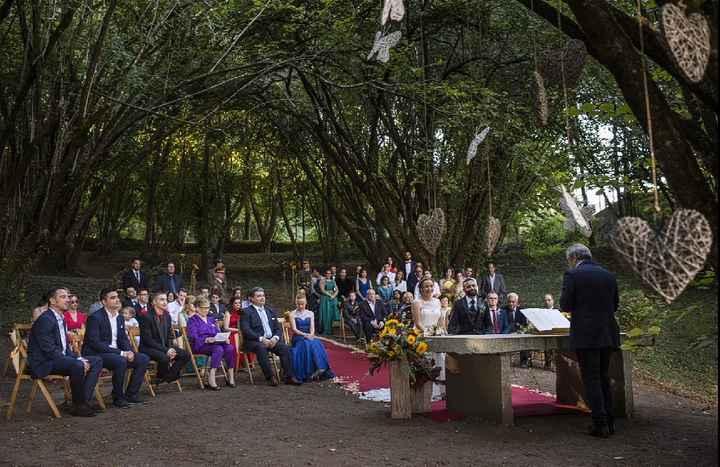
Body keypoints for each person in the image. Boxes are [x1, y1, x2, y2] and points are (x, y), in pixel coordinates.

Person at [560, 243, 620, 438]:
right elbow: (615, 305)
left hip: (586, 335)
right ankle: (610, 421)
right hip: (608, 332)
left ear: (573, 258)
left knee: (591, 379)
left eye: (569, 261)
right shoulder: (609, 275)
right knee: (603, 377)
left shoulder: (573, 275)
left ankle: (599, 424)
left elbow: (566, 305)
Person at [27, 288, 103, 417]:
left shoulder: (61, 318)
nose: (68, 299)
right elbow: (48, 350)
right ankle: (79, 406)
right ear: (52, 301)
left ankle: (83, 401)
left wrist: (77, 358)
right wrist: (75, 361)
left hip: (57, 358)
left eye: (68, 297)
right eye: (63, 297)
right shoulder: (46, 319)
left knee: (96, 361)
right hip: (43, 363)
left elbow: (65, 348)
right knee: (77, 365)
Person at [82, 288, 150, 408]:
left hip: (116, 353)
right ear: (104, 301)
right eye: (112, 298)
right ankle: (118, 397)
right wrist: (122, 353)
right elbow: (95, 343)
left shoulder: (119, 317)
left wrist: (129, 351)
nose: (117, 300)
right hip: (97, 353)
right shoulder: (95, 317)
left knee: (143, 358)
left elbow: (123, 338)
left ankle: (131, 394)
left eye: (117, 297)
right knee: (120, 360)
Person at [240, 287, 301, 386]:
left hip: (271, 340)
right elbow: (246, 330)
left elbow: (278, 328)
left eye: (263, 295)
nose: (262, 298)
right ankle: (270, 377)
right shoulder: (246, 311)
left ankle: (288, 377)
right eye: (259, 296)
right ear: (251, 298)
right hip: (254, 341)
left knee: (285, 348)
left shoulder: (270, 310)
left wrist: (275, 338)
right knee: (261, 347)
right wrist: (261, 339)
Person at [138, 292, 191, 385]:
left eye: (166, 299)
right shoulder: (146, 316)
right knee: (164, 357)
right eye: (161, 299)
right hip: (148, 348)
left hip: (164, 347)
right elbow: (148, 340)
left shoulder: (167, 315)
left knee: (185, 354)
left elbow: (169, 335)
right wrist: (167, 350)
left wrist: (170, 348)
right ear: (154, 302)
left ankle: (167, 377)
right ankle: (163, 376)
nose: (165, 302)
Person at [187, 297, 236, 389]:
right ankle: (211, 377)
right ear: (197, 308)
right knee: (218, 349)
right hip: (200, 345)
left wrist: (223, 338)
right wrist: (206, 339)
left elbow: (217, 332)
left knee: (230, 347)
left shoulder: (211, 319)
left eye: (208, 308)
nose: (207, 310)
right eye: (204, 308)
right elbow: (192, 336)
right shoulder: (192, 320)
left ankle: (231, 376)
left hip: (214, 342)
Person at [289, 295, 335, 382]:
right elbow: (294, 329)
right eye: (298, 304)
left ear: (306, 303)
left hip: (309, 335)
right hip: (298, 337)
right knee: (307, 344)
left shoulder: (310, 313)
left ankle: (320, 368)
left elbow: (312, 328)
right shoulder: (292, 314)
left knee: (316, 342)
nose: (300, 306)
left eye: (302, 304)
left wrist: (311, 334)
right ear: (296, 304)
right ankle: (309, 372)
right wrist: (305, 335)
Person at [412, 278, 447, 381]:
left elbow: (440, 320)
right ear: (421, 289)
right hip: (422, 335)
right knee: (426, 362)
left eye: (431, 286)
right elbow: (417, 323)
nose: (429, 288)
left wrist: (441, 331)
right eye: (426, 286)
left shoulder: (437, 301)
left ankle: (441, 386)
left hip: (437, 335)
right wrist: (428, 333)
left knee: (440, 359)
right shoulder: (416, 302)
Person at [502, 292, 530, 367]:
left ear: (517, 302)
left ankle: (524, 362)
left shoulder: (522, 311)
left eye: (513, 302)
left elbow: (524, 325)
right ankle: (505, 361)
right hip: (506, 333)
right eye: (509, 301)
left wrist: (518, 332)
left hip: (519, 333)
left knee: (525, 339)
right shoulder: (503, 310)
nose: (511, 304)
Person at [318, 268, 340, 335]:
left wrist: (334, 296)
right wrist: (330, 295)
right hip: (325, 299)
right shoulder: (322, 280)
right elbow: (322, 290)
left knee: (331, 314)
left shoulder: (333, 281)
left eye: (329, 273)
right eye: (327, 273)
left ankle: (332, 329)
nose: (328, 274)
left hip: (332, 299)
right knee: (325, 314)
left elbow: (337, 290)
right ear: (325, 274)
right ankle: (325, 329)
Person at [543, 293, 555, 369]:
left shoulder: (558, 311)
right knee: (546, 347)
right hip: (546, 333)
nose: (547, 302)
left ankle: (554, 364)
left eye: (549, 300)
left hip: (555, 333)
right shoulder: (542, 311)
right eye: (545, 300)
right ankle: (547, 363)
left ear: (553, 301)